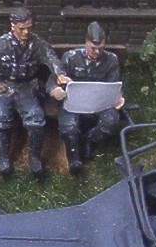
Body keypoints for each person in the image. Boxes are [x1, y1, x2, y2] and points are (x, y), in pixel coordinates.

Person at [0, 8, 70, 178]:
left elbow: (51, 58)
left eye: (29, 27)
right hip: (5, 86)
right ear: (13, 25)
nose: (26, 32)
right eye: (22, 28)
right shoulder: (0, 45)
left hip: (27, 86)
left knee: (36, 120)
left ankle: (34, 159)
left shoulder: (37, 44)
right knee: (1, 119)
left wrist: (59, 73)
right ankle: (3, 159)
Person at [49, 22, 125, 175]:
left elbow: (114, 83)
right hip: (73, 101)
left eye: (100, 48)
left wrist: (119, 97)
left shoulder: (111, 60)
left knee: (110, 121)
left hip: (99, 102)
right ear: (86, 42)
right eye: (93, 48)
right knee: (69, 126)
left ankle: (89, 141)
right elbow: (54, 78)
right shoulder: (70, 57)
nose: (97, 52)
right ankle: (74, 158)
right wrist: (55, 89)